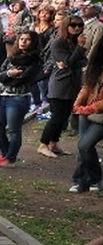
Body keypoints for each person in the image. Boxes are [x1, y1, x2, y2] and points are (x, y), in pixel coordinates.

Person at [38, 15, 87, 158]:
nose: (77, 28)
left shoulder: (75, 42)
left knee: (65, 116)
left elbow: (83, 61)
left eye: (80, 25)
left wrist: (71, 61)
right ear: (66, 26)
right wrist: (79, 50)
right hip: (60, 84)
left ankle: (54, 143)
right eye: (73, 25)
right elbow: (69, 61)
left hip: (73, 83)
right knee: (56, 116)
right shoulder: (58, 42)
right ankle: (43, 144)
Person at [0, 31, 42, 167]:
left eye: (27, 40)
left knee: (14, 129)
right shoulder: (12, 57)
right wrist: (10, 73)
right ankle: (5, 153)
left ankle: (10, 158)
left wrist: (7, 77)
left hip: (19, 98)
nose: (23, 42)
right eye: (21, 39)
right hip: (3, 96)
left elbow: (22, 80)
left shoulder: (35, 60)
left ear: (33, 42)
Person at [70, 39, 103, 192]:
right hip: (86, 111)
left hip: (99, 115)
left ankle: (96, 178)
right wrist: (78, 104)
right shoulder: (95, 66)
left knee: (85, 145)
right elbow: (86, 87)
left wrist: (89, 108)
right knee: (83, 148)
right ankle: (81, 181)